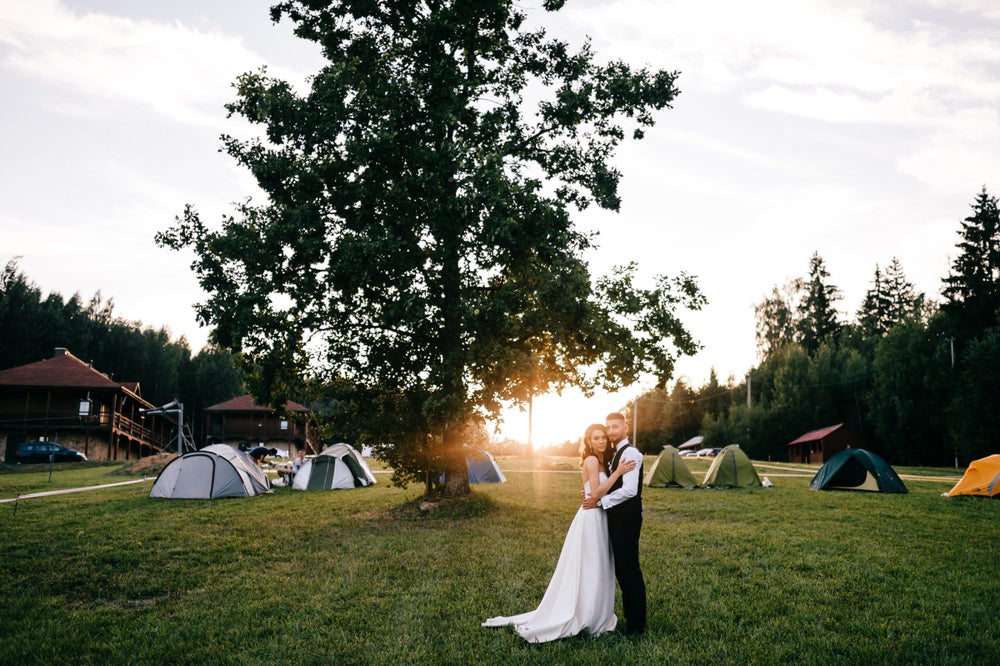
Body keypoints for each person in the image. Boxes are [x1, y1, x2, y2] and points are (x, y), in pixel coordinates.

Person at [482, 424, 636, 643]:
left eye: (603, 438)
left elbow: (595, 491)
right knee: (591, 566)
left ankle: (595, 612)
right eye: (596, 438)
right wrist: (619, 473)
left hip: (601, 516)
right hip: (592, 518)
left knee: (599, 565)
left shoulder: (604, 461)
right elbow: (598, 491)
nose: (602, 441)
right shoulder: (593, 460)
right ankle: (586, 615)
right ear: (589, 441)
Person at [583, 411, 647, 636]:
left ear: (625, 428)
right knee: (620, 568)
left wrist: (601, 502)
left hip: (627, 518)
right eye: (608, 427)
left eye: (615, 427)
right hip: (614, 517)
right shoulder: (612, 453)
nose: (610, 432)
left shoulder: (630, 453)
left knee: (628, 569)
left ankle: (636, 625)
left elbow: (630, 490)